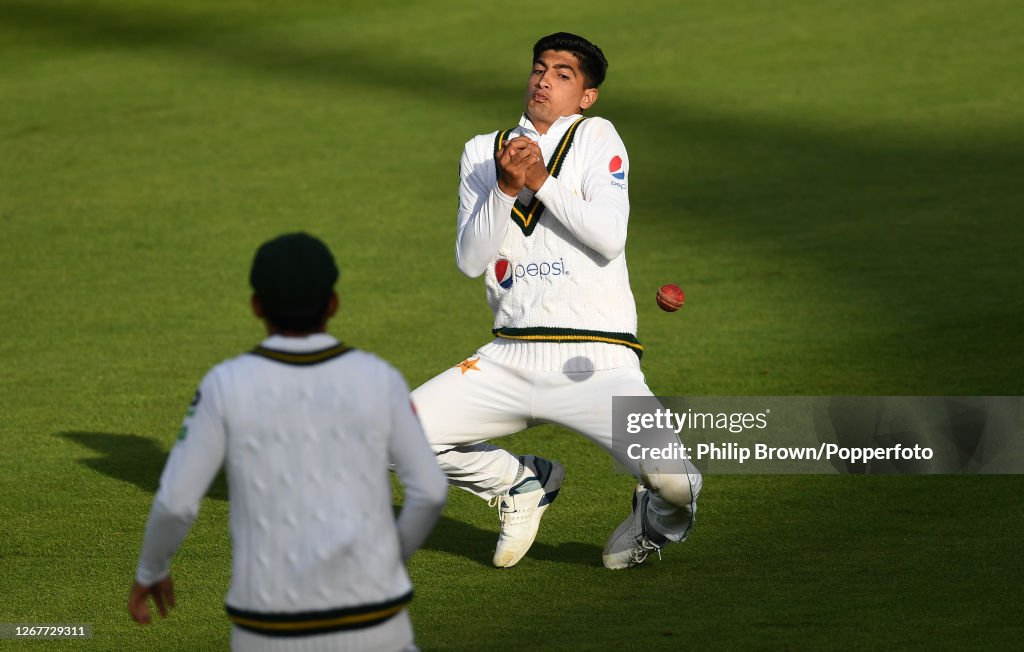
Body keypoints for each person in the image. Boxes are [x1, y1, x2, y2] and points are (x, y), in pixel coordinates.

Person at [411, 32, 702, 570]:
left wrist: (539, 179)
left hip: (597, 362)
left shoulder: (597, 137)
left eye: (563, 74)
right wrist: (502, 186)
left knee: (677, 484)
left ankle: (655, 520)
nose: (544, 80)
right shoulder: (483, 150)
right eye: (539, 68)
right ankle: (521, 484)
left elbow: (610, 235)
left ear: (586, 95)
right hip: (510, 357)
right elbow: (471, 260)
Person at [129, 233, 447, 651]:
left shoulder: (225, 385)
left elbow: (175, 503)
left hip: (267, 631)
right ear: (333, 303)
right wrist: (389, 563)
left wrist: (151, 569)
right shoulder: (378, 378)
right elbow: (430, 490)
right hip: (377, 624)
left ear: (256, 306)